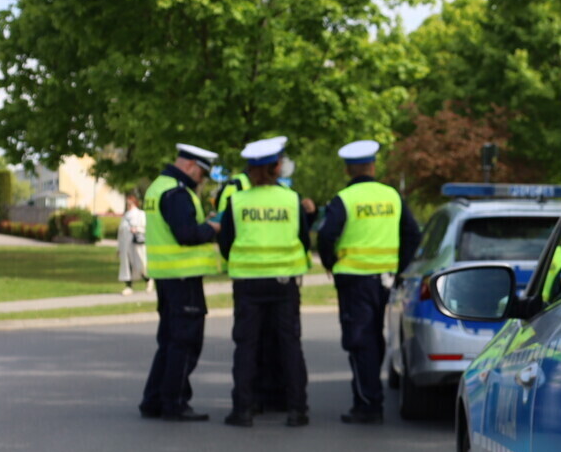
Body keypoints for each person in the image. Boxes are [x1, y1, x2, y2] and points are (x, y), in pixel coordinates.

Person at [316, 139, 420, 424]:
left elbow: (326, 236)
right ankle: (371, 396)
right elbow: (413, 234)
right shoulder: (392, 196)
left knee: (360, 341)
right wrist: (399, 269)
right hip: (385, 280)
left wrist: (330, 263)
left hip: (354, 280)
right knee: (374, 338)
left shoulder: (345, 199)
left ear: (348, 170)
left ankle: (368, 404)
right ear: (373, 166)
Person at [218, 136, 312, 429]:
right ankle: (297, 410)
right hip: (284, 283)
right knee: (289, 345)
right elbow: (305, 239)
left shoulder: (237, 201)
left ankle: (243, 409)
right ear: (275, 167)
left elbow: (225, 241)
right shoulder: (291, 199)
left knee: (246, 345)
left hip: (247, 283)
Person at [138, 143, 221, 422]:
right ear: (190, 166)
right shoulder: (177, 192)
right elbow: (186, 234)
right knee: (185, 343)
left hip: (167, 277)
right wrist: (213, 227)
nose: (202, 180)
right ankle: (174, 402)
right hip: (182, 277)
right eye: (202, 174)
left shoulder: (158, 186)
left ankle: (153, 400)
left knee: (170, 342)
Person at [117, 194, 150, 295]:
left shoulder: (141, 214)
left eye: (130, 202)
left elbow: (147, 228)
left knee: (140, 264)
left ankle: (148, 280)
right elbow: (120, 232)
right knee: (127, 266)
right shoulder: (125, 216)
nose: (129, 204)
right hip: (126, 245)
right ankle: (128, 285)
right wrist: (119, 248)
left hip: (137, 244)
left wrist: (137, 229)